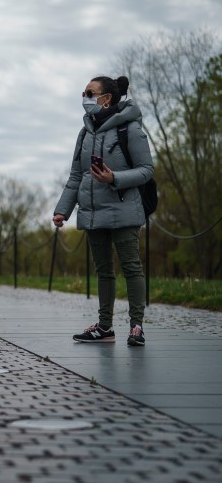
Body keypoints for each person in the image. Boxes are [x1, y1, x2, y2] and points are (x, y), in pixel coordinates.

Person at [53, 76, 153, 346]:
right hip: (93, 211)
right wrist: (63, 210)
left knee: (132, 268)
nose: (84, 97)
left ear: (107, 98)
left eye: (90, 93)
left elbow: (146, 170)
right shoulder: (85, 132)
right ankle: (105, 327)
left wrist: (114, 179)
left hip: (124, 209)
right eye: (83, 93)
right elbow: (76, 175)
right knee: (103, 271)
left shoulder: (130, 129)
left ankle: (136, 326)